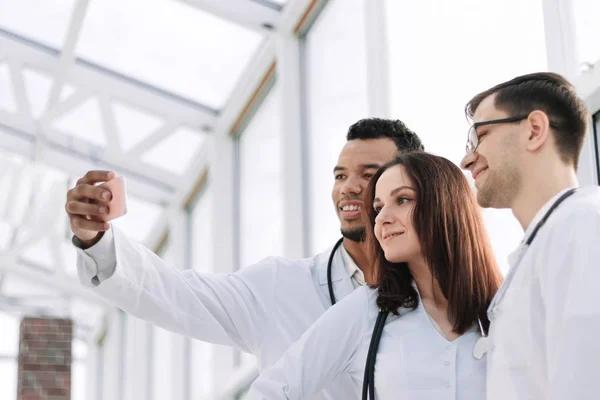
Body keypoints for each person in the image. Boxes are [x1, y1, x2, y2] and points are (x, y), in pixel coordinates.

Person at [65, 118, 424, 400]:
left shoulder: (443, 293)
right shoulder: (281, 287)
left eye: (368, 174)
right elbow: (178, 294)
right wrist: (97, 239)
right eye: (340, 176)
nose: (348, 187)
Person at [246, 152, 503, 400]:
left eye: (402, 200)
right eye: (378, 208)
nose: (382, 219)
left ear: (446, 204)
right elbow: (273, 390)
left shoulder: (502, 310)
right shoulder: (366, 310)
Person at [460, 72, 600, 400]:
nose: (466, 159)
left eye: (480, 136)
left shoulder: (583, 228)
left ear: (534, 130)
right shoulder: (550, 240)